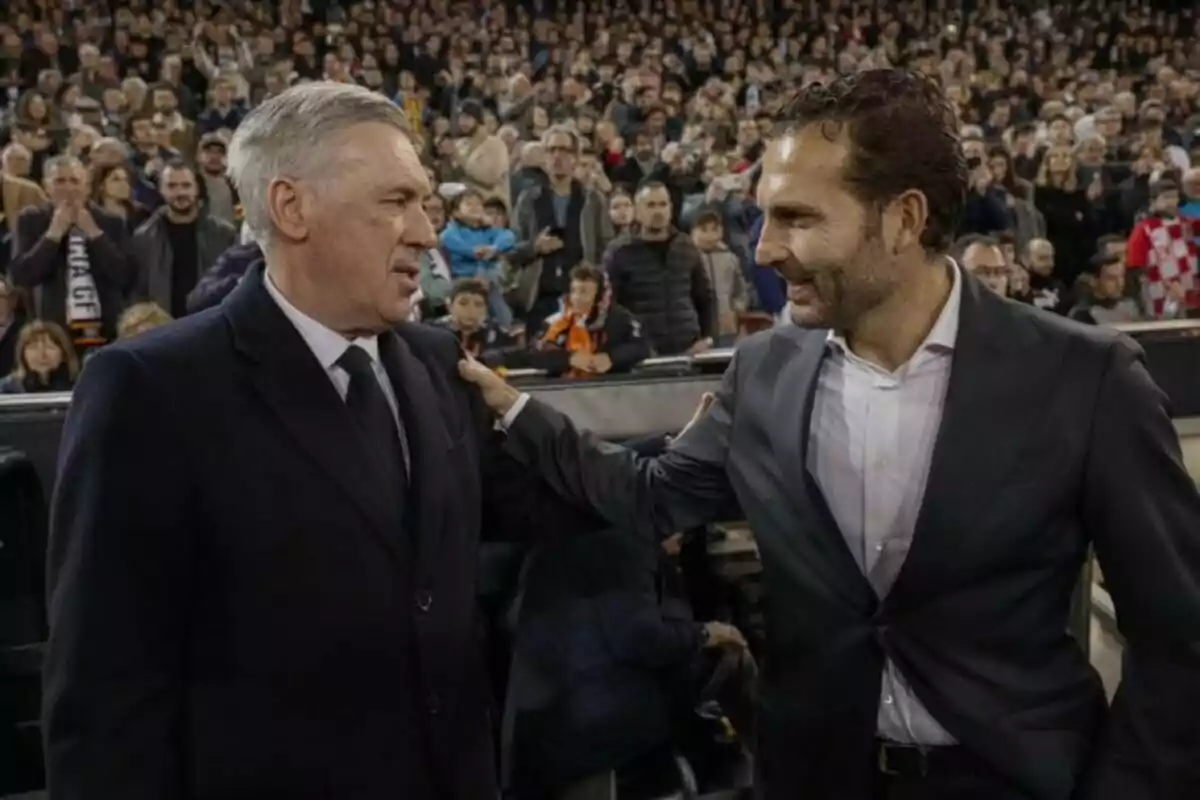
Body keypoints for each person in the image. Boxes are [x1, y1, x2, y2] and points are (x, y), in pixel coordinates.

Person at [460, 70, 1200, 800]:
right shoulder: (763, 371)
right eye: (763, 218)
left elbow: (1179, 642)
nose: (764, 251)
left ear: (903, 220)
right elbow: (653, 498)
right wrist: (519, 412)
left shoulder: (1088, 379)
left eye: (798, 218)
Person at [43, 81, 579, 800]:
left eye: (424, 202)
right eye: (396, 202)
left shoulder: (433, 362)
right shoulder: (149, 390)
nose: (424, 231)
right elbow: (107, 697)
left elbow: (544, 504)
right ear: (292, 208)